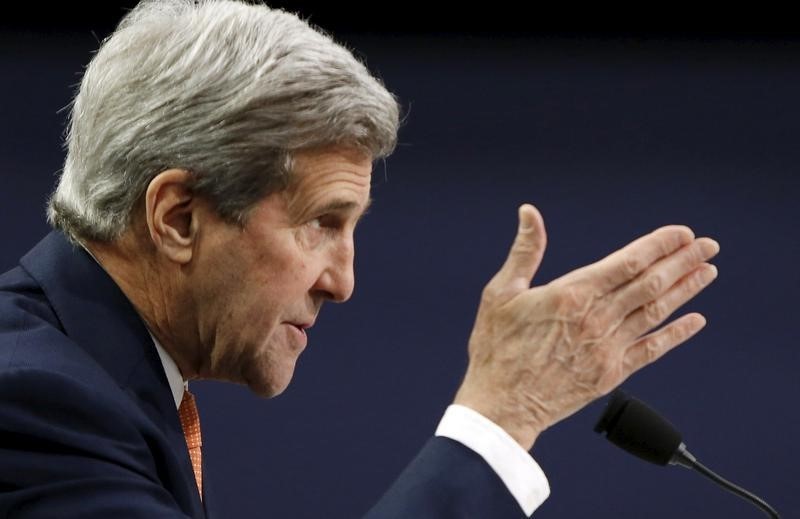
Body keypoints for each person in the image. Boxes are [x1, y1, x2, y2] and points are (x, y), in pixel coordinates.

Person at [0, 1, 720, 517]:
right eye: (321, 223)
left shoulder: (96, 375)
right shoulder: (34, 403)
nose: (343, 282)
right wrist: (501, 415)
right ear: (179, 218)